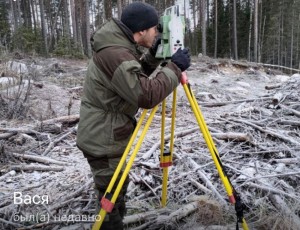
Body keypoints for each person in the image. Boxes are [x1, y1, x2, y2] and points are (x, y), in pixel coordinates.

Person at [76, 2, 190, 230]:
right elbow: (145, 95)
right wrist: (174, 69)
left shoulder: (118, 46)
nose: (157, 32)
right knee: (111, 199)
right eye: (154, 29)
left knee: (116, 189)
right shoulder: (115, 53)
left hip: (107, 134)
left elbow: (130, 79)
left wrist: (155, 57)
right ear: (141, 31)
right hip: (102, 138)